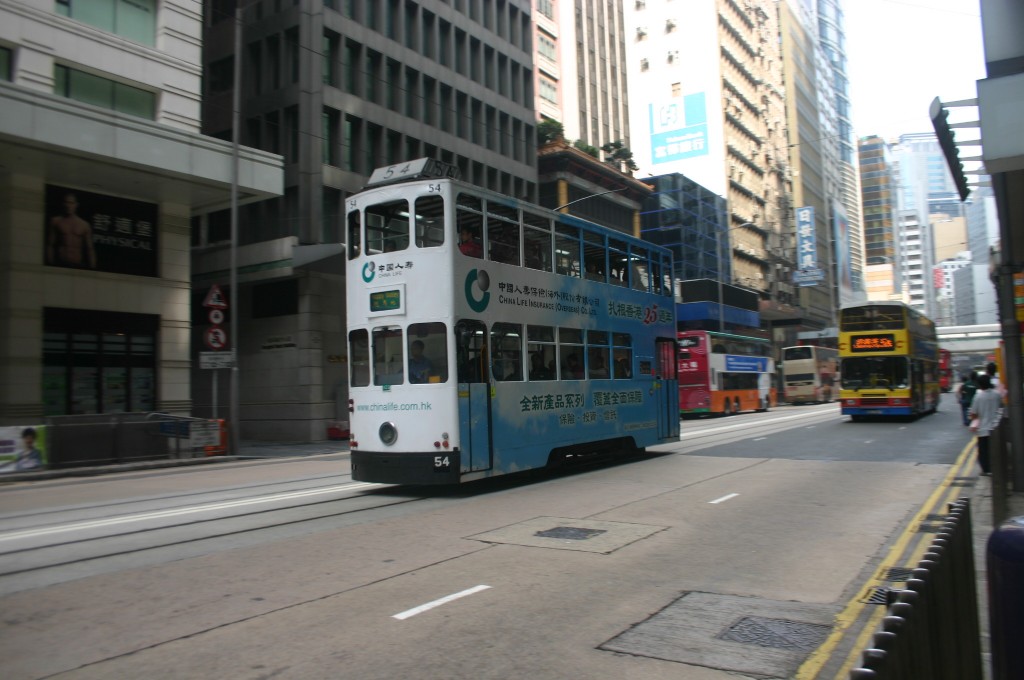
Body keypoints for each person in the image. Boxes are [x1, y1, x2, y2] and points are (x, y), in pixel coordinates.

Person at [46, 192, 96, 269]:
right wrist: (50, 264)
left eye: (71, 203)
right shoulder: (56, 221)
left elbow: (90, 249)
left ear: (76, 205)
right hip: (60, 263)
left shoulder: (84, 225)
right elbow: (50, 245)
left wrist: (93, 269)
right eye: (66, 202)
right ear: (63, 204)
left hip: (78, 264)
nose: (68, 206)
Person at [969, 373, 1003, 475]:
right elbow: (1001, 408)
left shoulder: (978, 397)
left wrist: (976, 419)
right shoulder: (997, 395)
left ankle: (986, 470)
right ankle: (996, 468)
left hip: (983, 429)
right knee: (996, 450)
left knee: (983, 451)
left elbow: (973, 413)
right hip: (996, 428)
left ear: (980, 385)